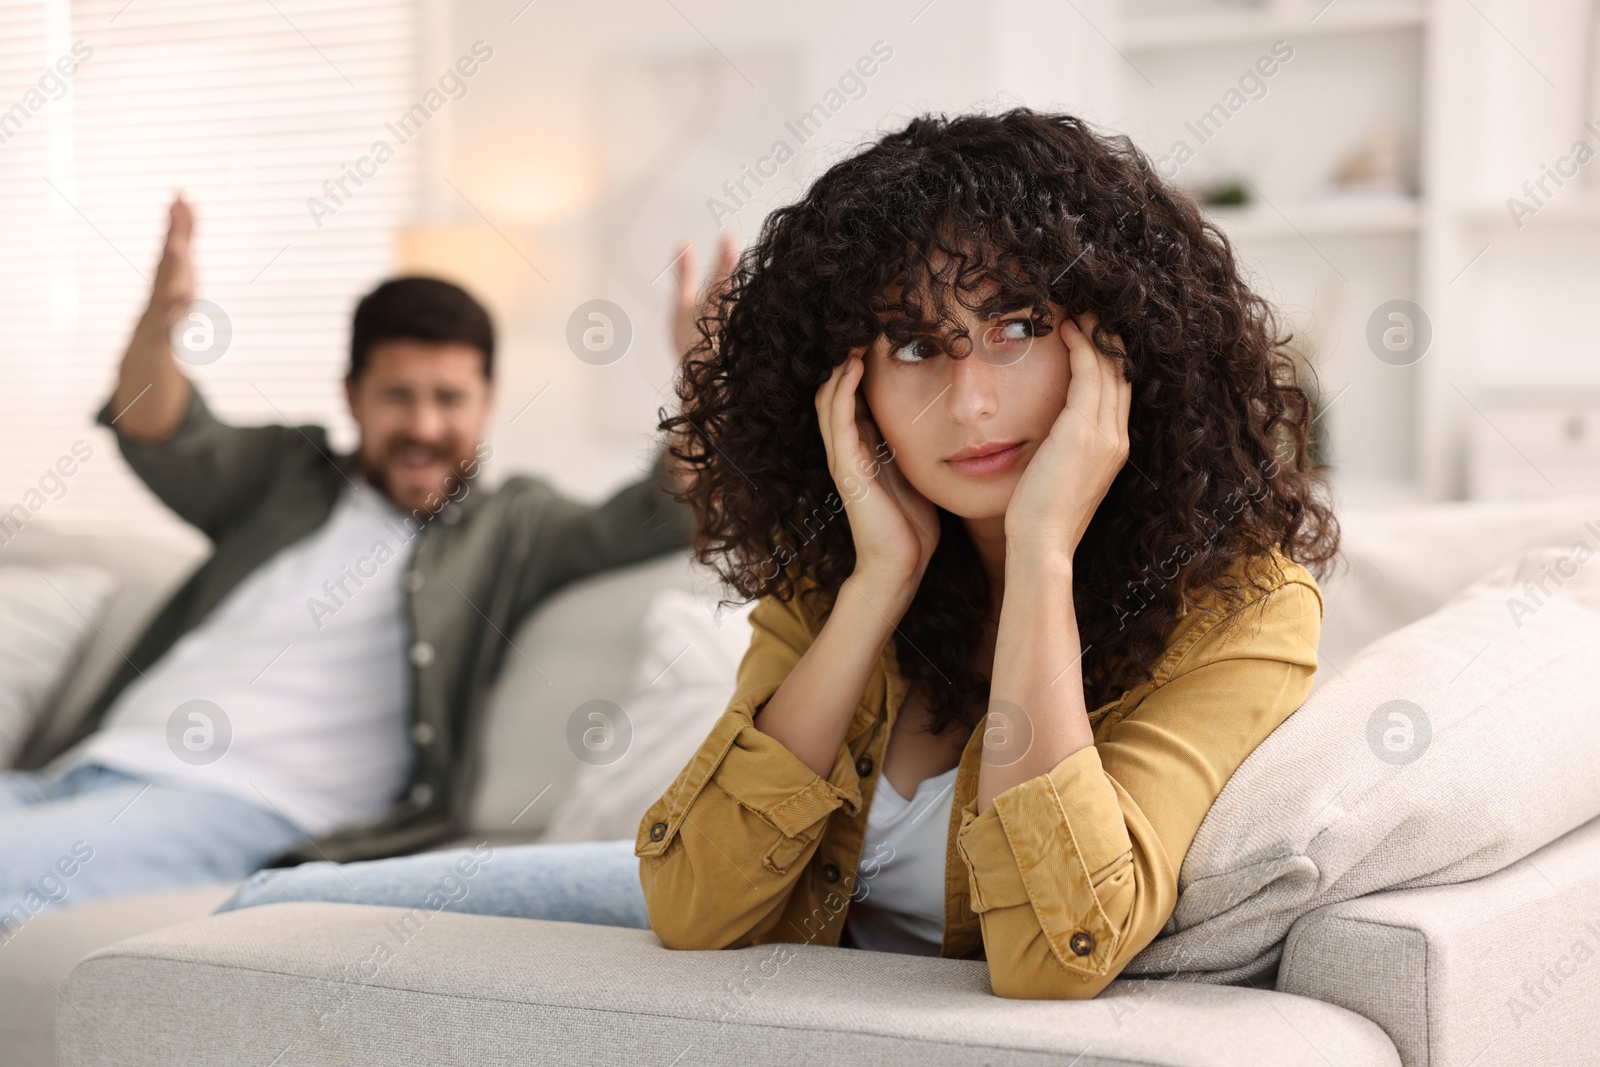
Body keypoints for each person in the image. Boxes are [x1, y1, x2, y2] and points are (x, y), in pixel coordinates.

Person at [215, 108, 1338, 1001]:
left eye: (1016, 326)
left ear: (1115, 343)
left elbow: (1054, 951)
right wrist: (876, 585)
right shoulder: (842, 563)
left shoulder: (1242, 606)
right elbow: (698, 906)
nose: (972, 400)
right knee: (267, 915)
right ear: (851, 384)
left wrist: (1043, 552)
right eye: (914, 343)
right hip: (764, 920)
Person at [0, 193, 703, 937]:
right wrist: (159, 323)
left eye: (449, 397)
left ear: (489, 400)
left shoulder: (514, 526)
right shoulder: (285, 472)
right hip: (83, 770)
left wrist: (702, 382)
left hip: (244, 802)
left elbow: (657, 512)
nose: (425, 426)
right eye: (398, 396)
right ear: (352, 396)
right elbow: (157, 422)